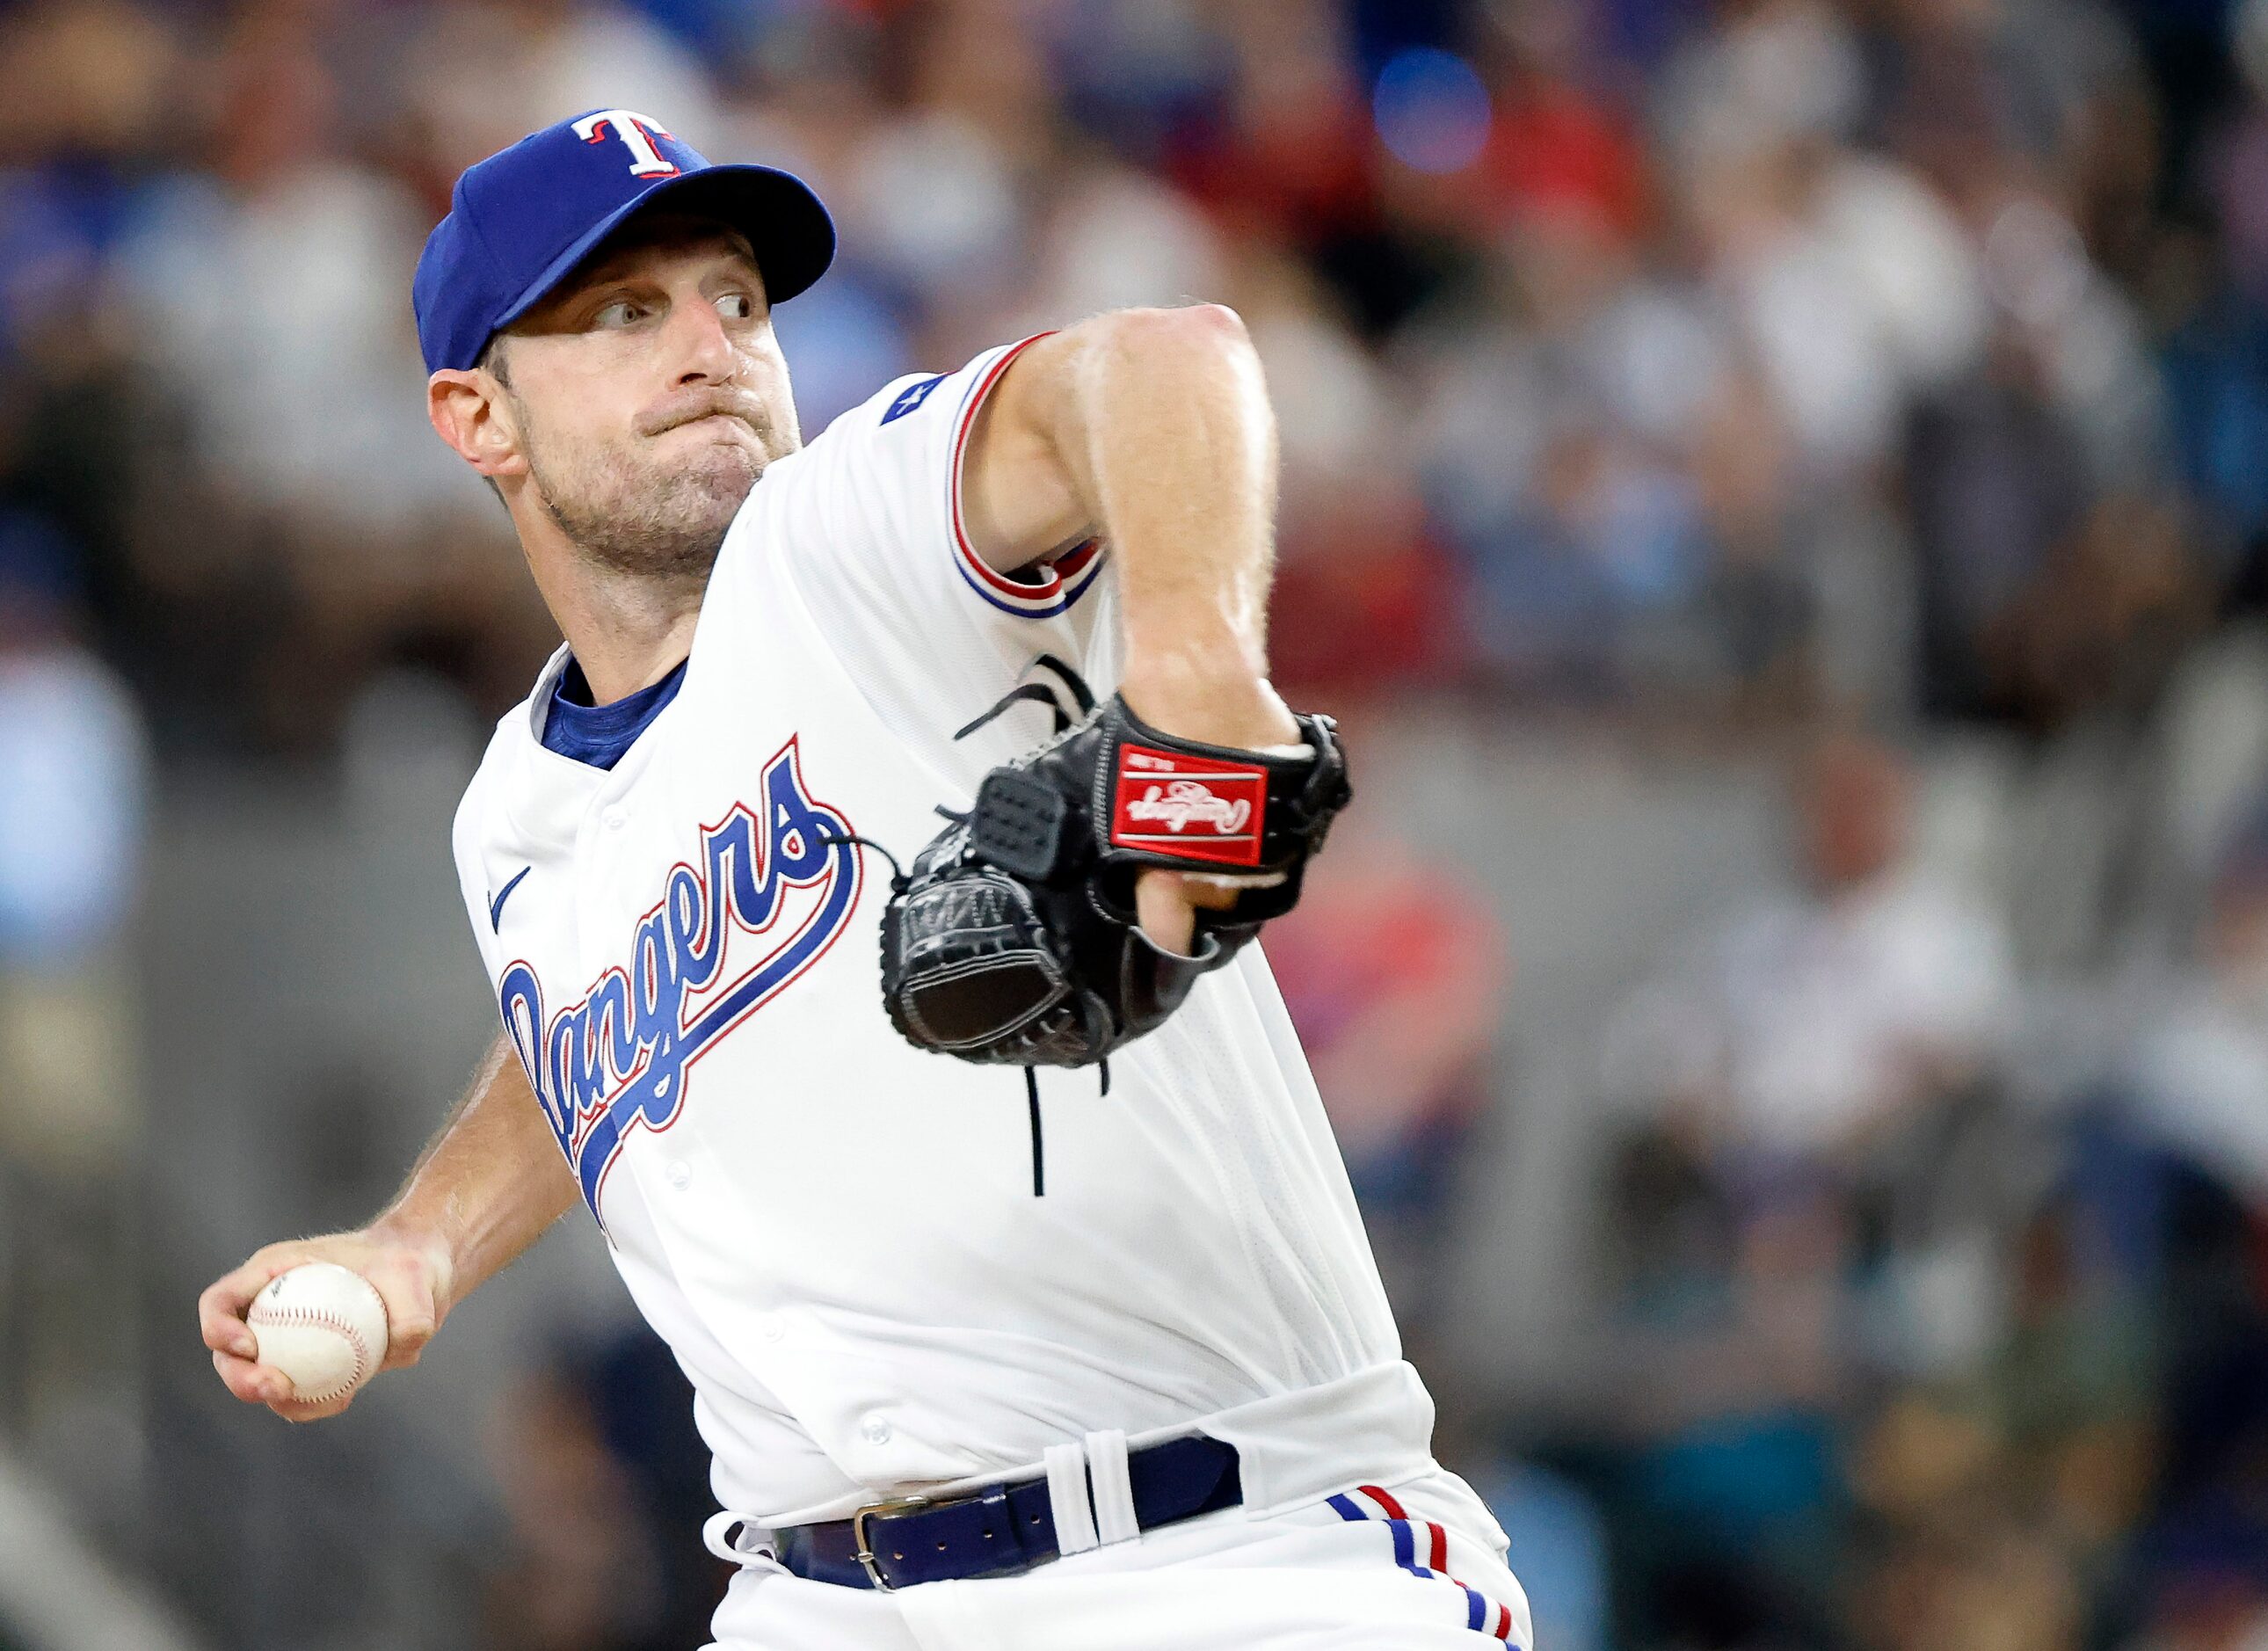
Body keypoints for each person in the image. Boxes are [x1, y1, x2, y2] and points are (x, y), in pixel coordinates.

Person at [195, 109, 1530, 1651]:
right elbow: (591, 1018)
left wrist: (1193, 666)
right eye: (628, 311)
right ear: (475, 415)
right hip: (811, 1599)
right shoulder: (515, 811)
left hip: (1225, 1558)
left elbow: (1165, 358)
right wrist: (420, 1240)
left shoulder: (853, 531)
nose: (709, 345)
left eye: (737, 302)